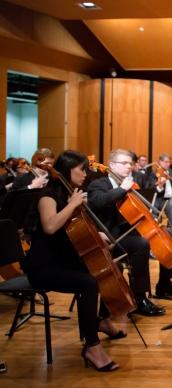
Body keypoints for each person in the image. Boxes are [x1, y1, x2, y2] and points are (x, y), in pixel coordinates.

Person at [22, 150, 121, 371]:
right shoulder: (47, 196)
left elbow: (75, 230)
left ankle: (102, 320)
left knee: (107, 266)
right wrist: (73, 204)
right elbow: (50, 227)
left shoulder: (70, 193)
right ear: (68, 170)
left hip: (62, 260)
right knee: (88, 283)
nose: (85, 174)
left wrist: (98, 235)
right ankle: (92, 346)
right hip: (43, 267)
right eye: (81, 169)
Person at [87, 149, 169, 315]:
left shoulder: (130, 183)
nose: (128, 167)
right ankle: (140, 298)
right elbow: (98, 201)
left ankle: (166, 283)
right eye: (124, 163)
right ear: (111, 165)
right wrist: (122, 189)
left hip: (128, 232)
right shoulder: (99, 184)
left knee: (166, 236)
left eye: (130, 164)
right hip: (109, 237)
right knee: (141, 245)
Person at [143, 153, 172, 227]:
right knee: (153, 212)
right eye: (166, 162)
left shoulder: (170, 171)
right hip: (158, 197)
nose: (168, 164)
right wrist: (160, 184)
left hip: (168, 198)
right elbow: (152, 188)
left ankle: (171, 230)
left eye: (169, 162)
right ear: (160, 162)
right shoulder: (154, 173)